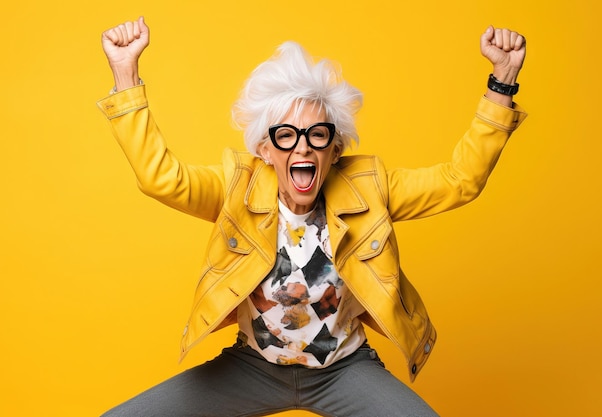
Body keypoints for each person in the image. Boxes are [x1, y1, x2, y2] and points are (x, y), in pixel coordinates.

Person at [97, 16, 527, 417]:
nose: (301, 148)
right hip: (253, 367)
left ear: (334, 149)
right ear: (264, 150)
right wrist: (125, 76)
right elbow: (161, 179)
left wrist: (502, 82)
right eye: (285, 136)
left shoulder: (371, 189)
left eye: (316, 135)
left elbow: (460, 181)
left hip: (343, 369)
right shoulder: (236, 188)